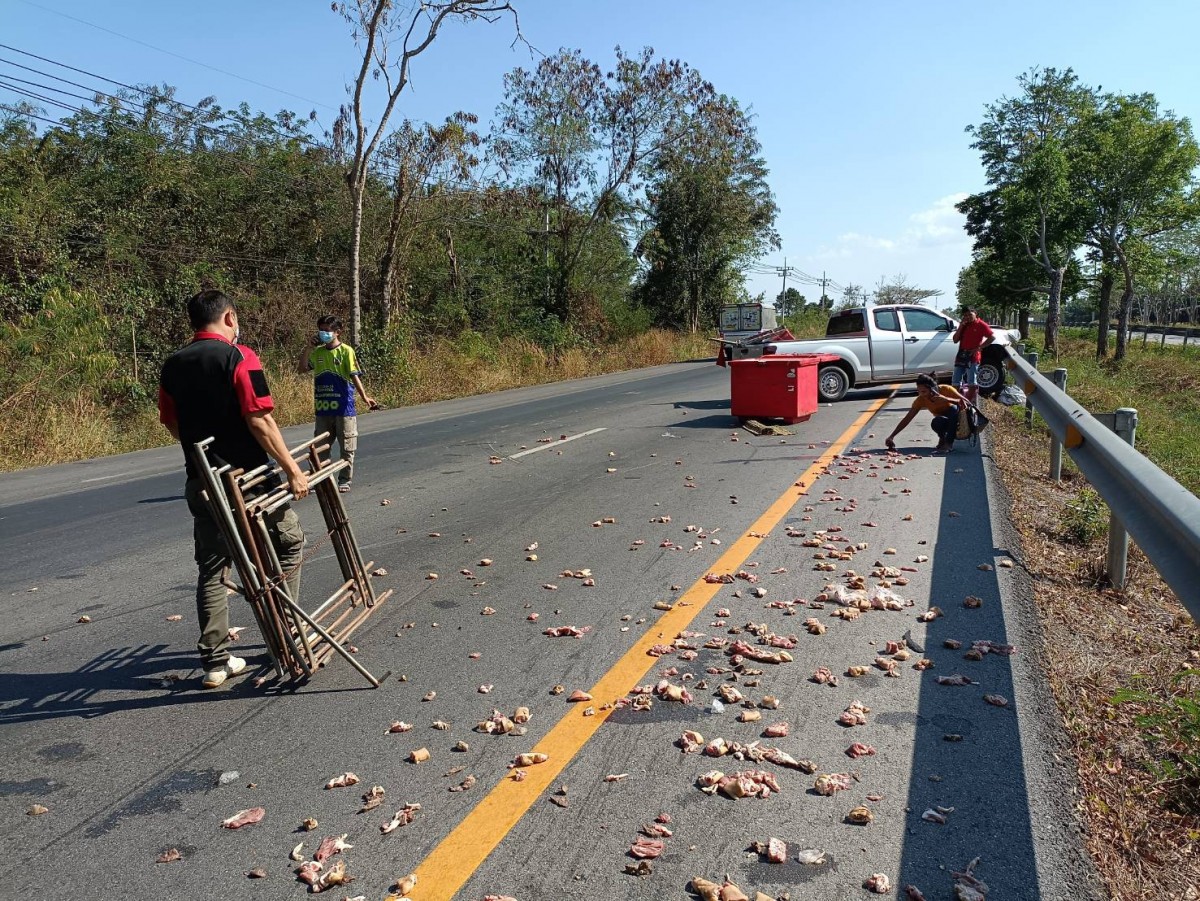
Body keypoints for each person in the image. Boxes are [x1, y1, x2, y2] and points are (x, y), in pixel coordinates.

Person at [159, 290, 309, 689]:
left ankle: (215, 662)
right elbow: (259, 420)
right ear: (229, 317)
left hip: (203, 482)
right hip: (251, 480)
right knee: (287, 544)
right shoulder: (240, 356)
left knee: (212, 567)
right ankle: (288, 635)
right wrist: (293, 469)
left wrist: (201, 458)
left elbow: (170, 422)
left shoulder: (172, 365)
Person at [298, 315, 376, 493]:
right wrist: (308, 348)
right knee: (320, 448)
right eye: (321, 330)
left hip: (344, 407)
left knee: (347, 446)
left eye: (328, 330)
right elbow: (302, 369)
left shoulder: (346, 351)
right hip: (323, 408)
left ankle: (344, 479)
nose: (324, 333)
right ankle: (322, 479)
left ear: (338, 332)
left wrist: (365, 397)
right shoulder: (317, 353)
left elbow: (354, 375)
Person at [884, 373, 966, 454]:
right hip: (943, 422)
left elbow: (967, 403)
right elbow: (907, 418)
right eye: (919, 391)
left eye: (924, 391)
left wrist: (947, 399)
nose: (921, 394)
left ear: (933, 389)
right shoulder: (920, 400)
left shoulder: (945, 389)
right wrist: (892, 436)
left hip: (958, 421)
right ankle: (942, 438)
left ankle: (949, 444)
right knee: (936, 422)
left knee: (953, 409)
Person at [951, 308, 995, 400]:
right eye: (965, 315)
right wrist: (961, 326)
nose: (968, 317)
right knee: (956, 380)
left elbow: (992, 337)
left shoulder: (981, 325)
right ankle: (956, 400)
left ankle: (969, 401)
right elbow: (955, 340)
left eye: (970, 315)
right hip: (962, 355)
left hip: (973, 356)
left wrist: (979, 348)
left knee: (972, 381)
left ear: (975, 314)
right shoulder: (965, 325)